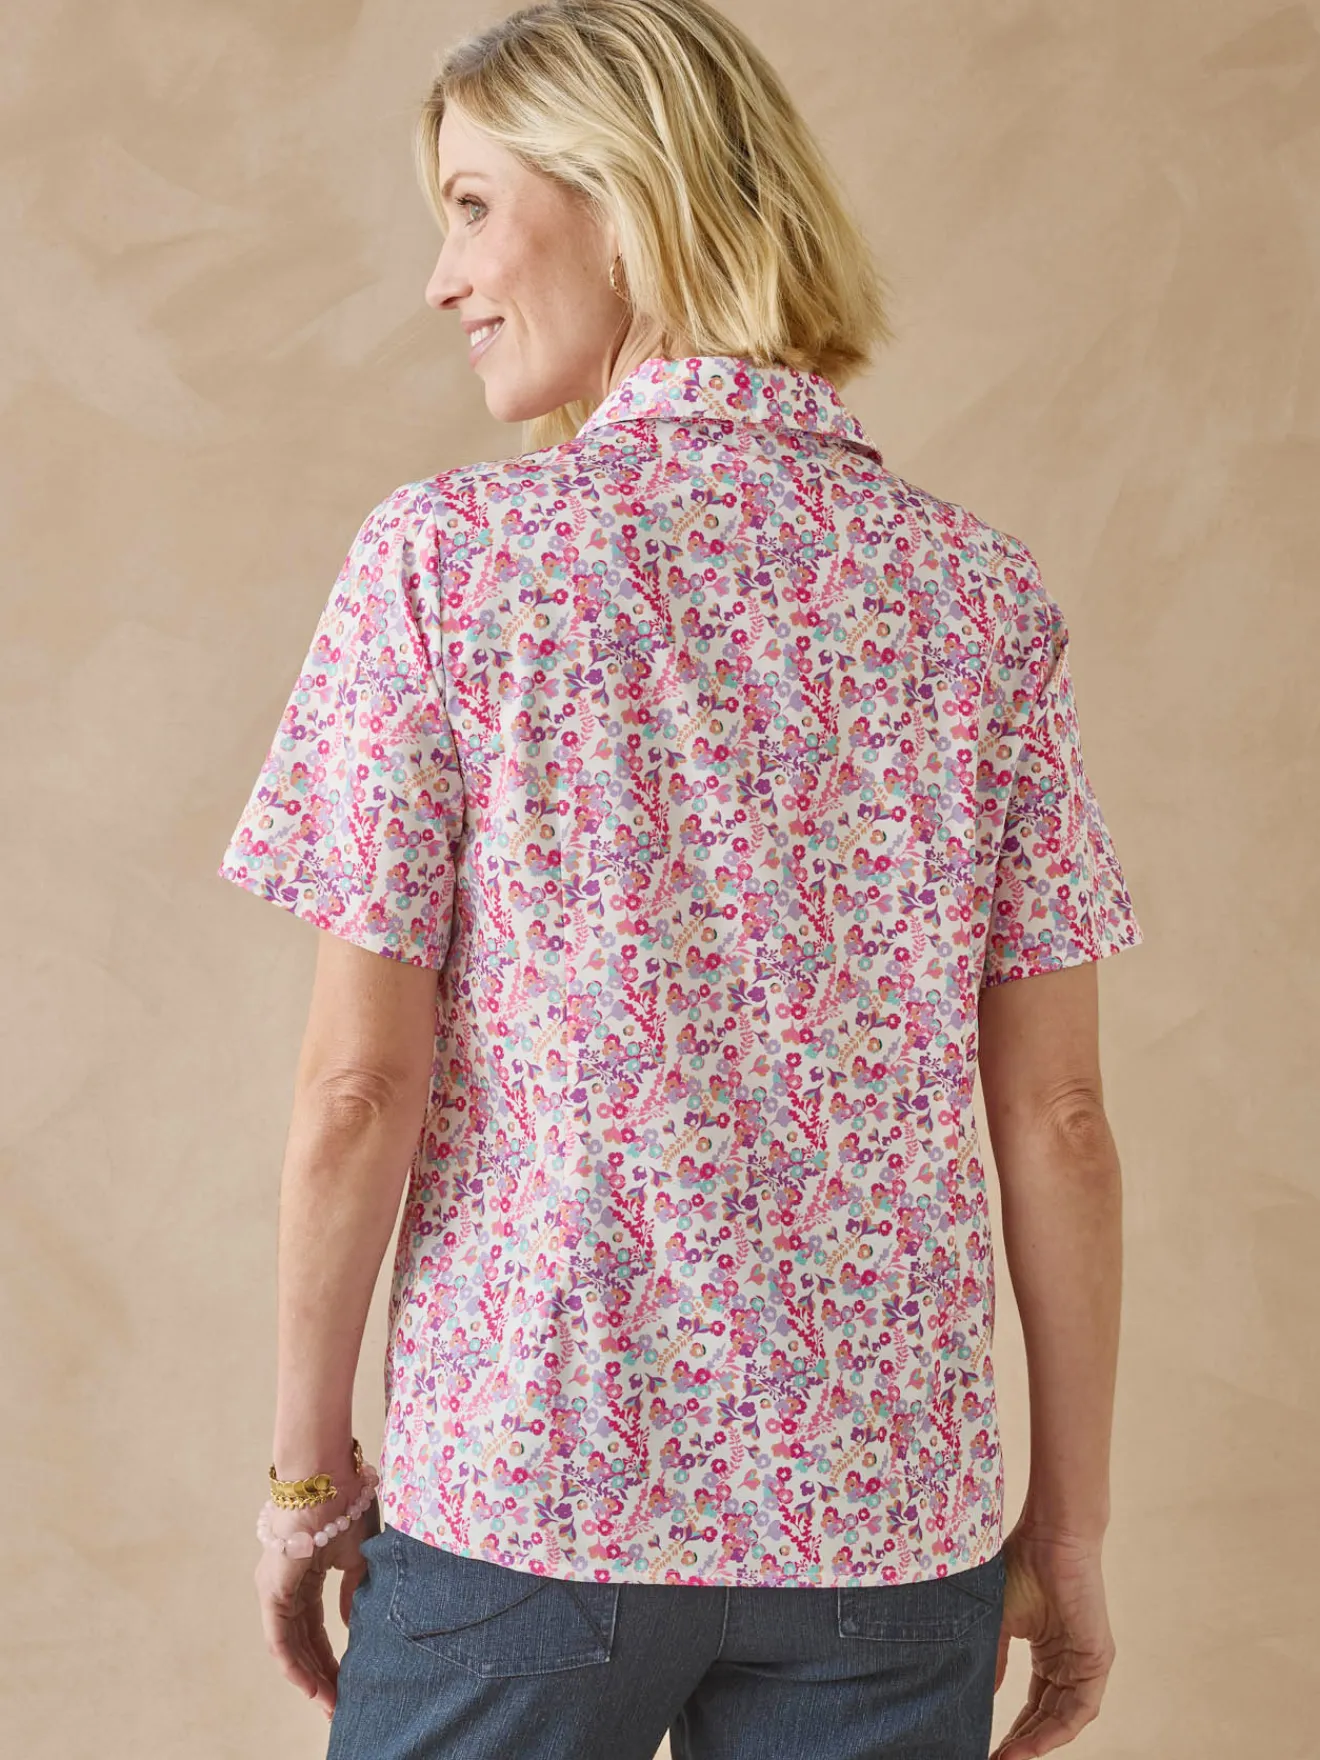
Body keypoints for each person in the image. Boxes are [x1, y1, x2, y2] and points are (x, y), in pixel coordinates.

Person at [216, 2, 1144, 1756]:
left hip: (529, 1494)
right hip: (888, 1534)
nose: (442, 277)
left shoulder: (448, 568)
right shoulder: (981, 602)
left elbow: (356, 1093)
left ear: (627, 199)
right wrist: (1072, 1535)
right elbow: (1063, 1119)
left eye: (473, 207)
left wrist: (303, 1477)